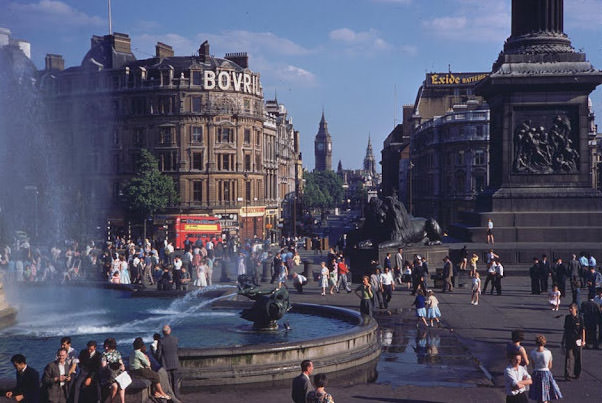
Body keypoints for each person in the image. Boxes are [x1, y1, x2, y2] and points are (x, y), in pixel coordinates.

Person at [528, 335, 562, 403]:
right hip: (545, 373)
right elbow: (550, 366)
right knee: (545, 392)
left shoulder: (533, 353)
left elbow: (533, 365)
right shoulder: (548, 352)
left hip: (536, 373)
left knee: (537, 393)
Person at [562, 303, 585, 381]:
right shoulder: (567, 318)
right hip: (569, 340)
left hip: (578, 340)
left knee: (578, 357)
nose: (570, 310)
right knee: (569, 357)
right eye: (569, 308)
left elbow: (583, 329)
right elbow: (565, 330)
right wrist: (563, 341)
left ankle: (577, 373)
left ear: (576, 309)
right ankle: (568, 374)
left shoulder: (580, 318)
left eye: (571, 308)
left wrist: (583, 340)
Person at [100, 337, 126, 403]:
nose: (106, 348)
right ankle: (112, 400)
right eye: (105, 346)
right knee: (115, 386)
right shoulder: (104, 354)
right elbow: (104, 367)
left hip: (118, 374)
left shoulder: (117, 353)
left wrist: (121, 366)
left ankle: (123, 402)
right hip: (109, 375)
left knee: (122, 385)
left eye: (107, 347)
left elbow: (122, 364)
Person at [158, 324, 180, 398]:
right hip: (175, 363)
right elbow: (177, 350)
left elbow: (159, 354)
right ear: (169, 331)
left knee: (168, 383)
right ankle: (177, 397)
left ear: (163, 332)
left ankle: (171, 397)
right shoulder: (175, 339)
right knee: (175, 383)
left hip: (166, 365)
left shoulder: (161, 341)